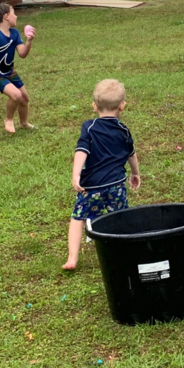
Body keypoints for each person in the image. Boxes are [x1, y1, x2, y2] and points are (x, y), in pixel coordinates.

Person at [64, 79, 141, 270]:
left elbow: (81, 150)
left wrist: (76, 174)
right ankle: (124, 253)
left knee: (78, 218)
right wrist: (135, 173)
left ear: (94, 106)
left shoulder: (89, 127)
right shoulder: (123, 130)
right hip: (116, 185)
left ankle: (72, 258)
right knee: (120, 217)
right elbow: (131, 154)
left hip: (91, 186)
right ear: (122, 106)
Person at [0, 3, 35, 133]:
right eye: (14, 13)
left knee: (24, 97)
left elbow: (22, 54)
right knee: (16, 95)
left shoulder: (14, 33)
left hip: (9, 72)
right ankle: (8, 119)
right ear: (7, 16)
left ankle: (23, 123)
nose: (16, 16)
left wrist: (29, 41)